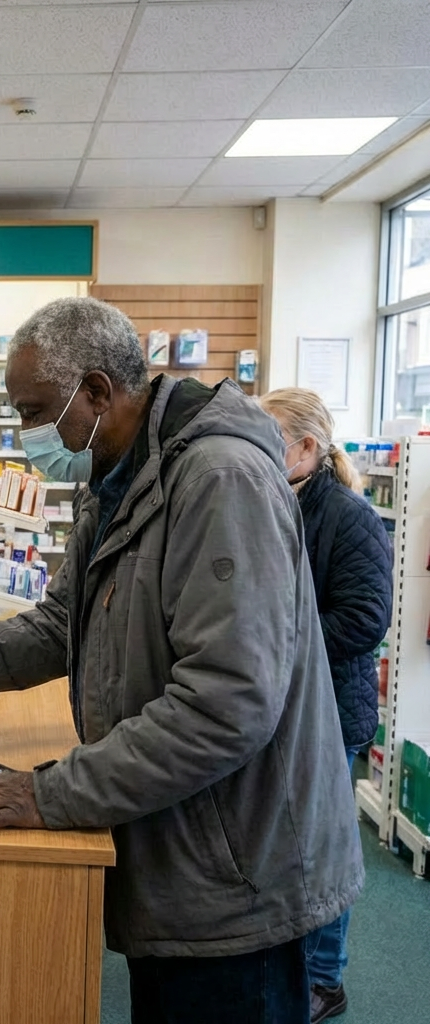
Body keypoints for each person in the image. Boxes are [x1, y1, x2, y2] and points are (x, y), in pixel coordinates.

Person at [0, 297, 362, 1024]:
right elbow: (64, 621)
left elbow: (227, 703)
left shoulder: (218, 478)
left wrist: (53, 793)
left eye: (35, 411)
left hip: (237, 874)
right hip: (181, 848)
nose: (27, 433)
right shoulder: (121, 475)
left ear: (97, 391)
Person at [260, 387, 392, 1024]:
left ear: (306, 447)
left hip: (332, 709)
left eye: (271, 439)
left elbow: (365, 621)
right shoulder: (278, 501)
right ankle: (293, 967)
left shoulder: (348, 515)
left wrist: (281, 642)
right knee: (293, 847)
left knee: (325, 849)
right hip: (286, 704)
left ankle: (324, 980)